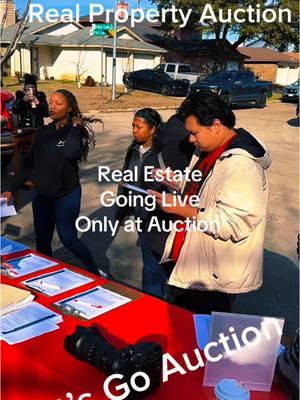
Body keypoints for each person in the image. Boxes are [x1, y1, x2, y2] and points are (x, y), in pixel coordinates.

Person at [149, 90, 271, 314]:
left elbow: (235, 223)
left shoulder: (241, 165)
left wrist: (182, 209)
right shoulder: (207, 151)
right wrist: (179, 184)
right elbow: (206, 190)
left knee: (200, 339)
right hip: (189, 264)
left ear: (216, 125)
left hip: (211, 279)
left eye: (194, 132)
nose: (191, 139)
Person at [2, 89, 106, 277]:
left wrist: (75, 128)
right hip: (42, 195)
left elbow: (70, 153)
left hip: (66, 195)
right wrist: (10, 189)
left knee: (68, 238)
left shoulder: (76, 132)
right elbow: (28, 164)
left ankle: (94, 271)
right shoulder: (42, 132)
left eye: (58, 103)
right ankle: (46, 276)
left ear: (69, 108)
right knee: (42, 241)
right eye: (51, 102)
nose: (52, 106)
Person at [116, 108, 170, 298]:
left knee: (153, 265)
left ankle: (155, 302)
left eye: (138, 127)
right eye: (133, 126)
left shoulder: (162, 153)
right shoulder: (134, 149)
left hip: (158, 215)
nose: (134, 130)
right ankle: (154, 301)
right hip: (140, 214)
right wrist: (121, 210)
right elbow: (126, 179)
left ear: (153, 128)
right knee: (151, 262)